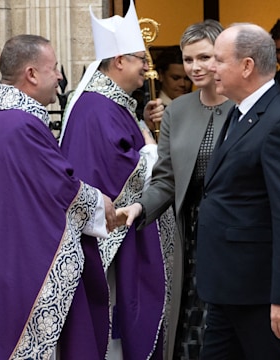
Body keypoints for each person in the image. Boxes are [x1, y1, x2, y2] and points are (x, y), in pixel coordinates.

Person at [0, 34, 117, 359]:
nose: (61, 77)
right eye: (54, 69)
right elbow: (60, 187)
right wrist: (101, 204)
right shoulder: (19, 124)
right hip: (16, 267)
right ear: (32, 74)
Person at [58, 1, 175, 358]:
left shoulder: (115, 103)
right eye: (141, 58)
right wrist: (155, 150)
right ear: (119, 61)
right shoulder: (96, 108)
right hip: (112, 242)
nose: (147, 66)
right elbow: (118, 172)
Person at [116, 19, 232, 360]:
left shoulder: (247, 107)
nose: (194, 67)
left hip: (236, 231)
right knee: (193, 322)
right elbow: (166, 178)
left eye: (204, 57)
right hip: (192, 234)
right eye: (188, 59)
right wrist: (139, 207)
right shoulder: (178, 111)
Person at [200, 23, 280, 359]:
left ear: (247, 66)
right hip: (226, 287)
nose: (210, 68)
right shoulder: (240, 113)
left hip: (261, 296)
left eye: (219, 60)